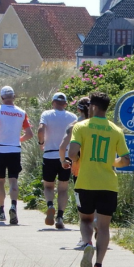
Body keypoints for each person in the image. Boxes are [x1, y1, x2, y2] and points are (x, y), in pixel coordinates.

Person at [66, 91, 129, 267]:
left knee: (85, 220)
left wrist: (76, 159)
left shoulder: (81, 127)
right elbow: (125, 160)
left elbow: (72, 152)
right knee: (104, 227)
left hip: (85, 182)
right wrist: (112, 162)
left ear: (92, 106)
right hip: (108, 185)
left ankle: (87, 243)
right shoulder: (116, 130)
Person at [0, 86, 33, 225]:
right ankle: (13, 205)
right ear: (14, 97)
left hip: (1, 149)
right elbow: (29, 134)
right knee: (13, 180)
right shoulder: (21, 112)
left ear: (2, 98)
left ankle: (1, 210)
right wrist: (17, 139)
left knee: (0, 181)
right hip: (15, 150)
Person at [38, 92, 78, 229]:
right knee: (63, 188)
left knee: (48, 186)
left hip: (49, 154)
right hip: (66, 156)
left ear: (53, 102)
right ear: (65, 104)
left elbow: (40, 129)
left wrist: (41, 142)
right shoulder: (72, 117)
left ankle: (50, 205)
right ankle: (60, 217)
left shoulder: (46, 114)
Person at [59, 96, 92, 242]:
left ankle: (85, 237)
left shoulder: (74, 126)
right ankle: (96, 223)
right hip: (97, 168)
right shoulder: (97, 125)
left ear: (78, 109)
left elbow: (62, 147)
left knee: (82, 205)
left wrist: (63, 161)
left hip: (78, 169)